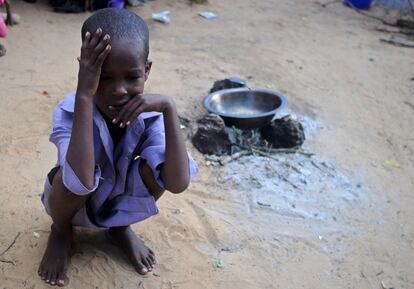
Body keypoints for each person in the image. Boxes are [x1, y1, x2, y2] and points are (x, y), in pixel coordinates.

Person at [38, 8, 198, 286]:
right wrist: (84, 95)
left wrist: (169, 108)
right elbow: (77, 182)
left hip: (116, 200)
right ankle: (61, 232)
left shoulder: (152, 115)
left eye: (132, 77)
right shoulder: (69, 110)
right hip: (74, 203)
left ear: (147, 71)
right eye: (105, 76)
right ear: (86, 69)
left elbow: (178, 182)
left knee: (156, 167)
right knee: (65, 178)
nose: (119, 90)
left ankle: (119, 227)